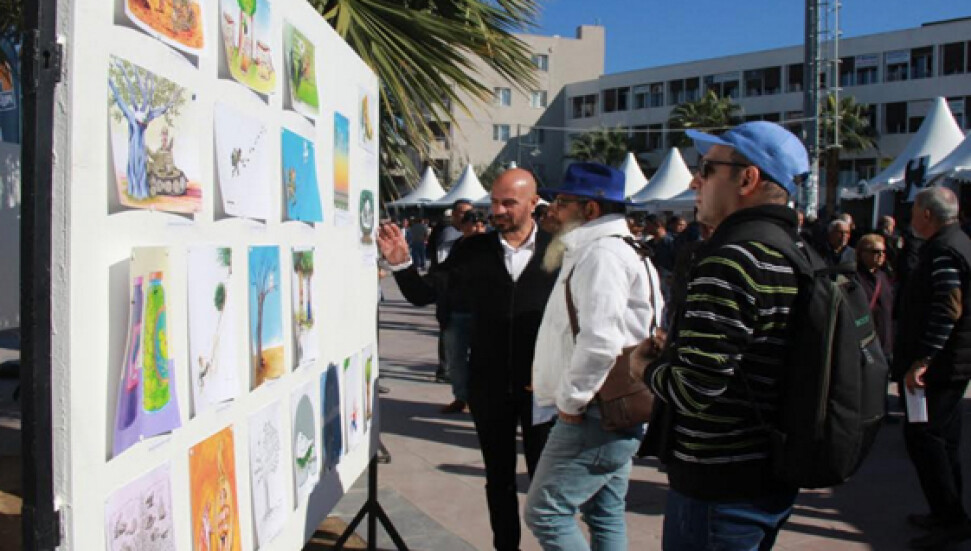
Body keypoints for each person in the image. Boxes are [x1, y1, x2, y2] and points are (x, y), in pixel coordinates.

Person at [638, 121, 809, 549]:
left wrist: (644, 366)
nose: (695, 180)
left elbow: (694, 390)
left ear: (747, 179)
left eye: (708, 168)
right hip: (767, 472)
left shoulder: (733, 260)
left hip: (718, 487)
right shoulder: (793, 252)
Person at [376, 168, 557, 551]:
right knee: (499, 477)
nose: (498, 210)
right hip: (489, 384)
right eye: (494, 201)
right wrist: (401, 263)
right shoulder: (473, 250)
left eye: (509, 202)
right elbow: (426, 294)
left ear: (532, 203)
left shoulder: (559, 250)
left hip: (544, 389)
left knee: (546, 480)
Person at [524, 163, 664, 549]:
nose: (552, 209)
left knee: (546, 513)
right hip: (615, 403)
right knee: (605, 513)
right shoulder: (617, 249)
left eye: (563, 202)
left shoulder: (601, 254)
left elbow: (601, 339)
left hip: (598, 408)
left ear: (591, 210)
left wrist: (572, 398)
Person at [893, 186, 971, 549]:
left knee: (925, 439)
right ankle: (946, 512)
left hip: (940, 367)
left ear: (927, 215)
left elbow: (947, 309)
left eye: (914, 212)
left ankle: (951, 518)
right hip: (951, 365)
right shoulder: (957, 242)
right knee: (943, 440)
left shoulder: (943, 250)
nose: (910, 219)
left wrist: (923, 360)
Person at [428, 199, 476, 394]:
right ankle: (447, 373)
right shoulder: (449, 234)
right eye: (464, 213)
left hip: (472, 303)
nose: (468, 218)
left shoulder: (473, 240)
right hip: (451, 298)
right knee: (452, 343)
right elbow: (442, 266)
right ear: (454, 214)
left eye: (471, 214)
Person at [856, 234, 894, 363]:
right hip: (864, 345)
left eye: (883, 251)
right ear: (862, 253)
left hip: (885, 346)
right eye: (875, 251)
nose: (881, 255)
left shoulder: (884, 277)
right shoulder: (854, 279)